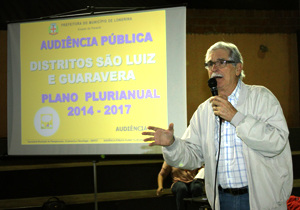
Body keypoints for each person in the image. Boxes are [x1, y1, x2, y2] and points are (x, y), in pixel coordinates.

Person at [143, 41, 293, 210]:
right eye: (210, 64)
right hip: (222, 200)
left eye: (221, 62)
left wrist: (236, 118)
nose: (214, 68)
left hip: (259, 199)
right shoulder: (204, 110)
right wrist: (172, 144)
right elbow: (192, 157)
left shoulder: (261, 97)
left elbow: (277, 142)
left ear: (238, 68)